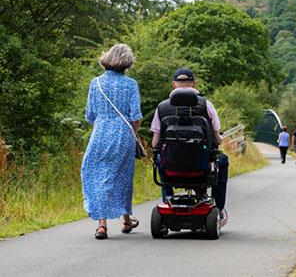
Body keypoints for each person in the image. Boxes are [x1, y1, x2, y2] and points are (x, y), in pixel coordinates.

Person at [150, 68, 229, 223]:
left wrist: (156, 152)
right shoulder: (207, 105)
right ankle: (218, 208)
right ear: (193, 84)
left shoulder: (162, 107)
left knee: (160, 160)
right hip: (201, 166)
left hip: (171, 166)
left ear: (174, 85)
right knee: (223, 162)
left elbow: (155, 140)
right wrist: (219, 140)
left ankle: (169, 198)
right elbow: (217, 138)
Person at [81, 44, 143, 240]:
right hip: (124, 134)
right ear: (127, 63)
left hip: (99, 132)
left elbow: (90, 115)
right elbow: (136, 116)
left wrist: (102, 124)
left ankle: (102, 225)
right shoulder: (131, 84)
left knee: (94, 172)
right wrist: (133, 133)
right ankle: (126, 220)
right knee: (122, 176)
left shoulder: (95, 83)